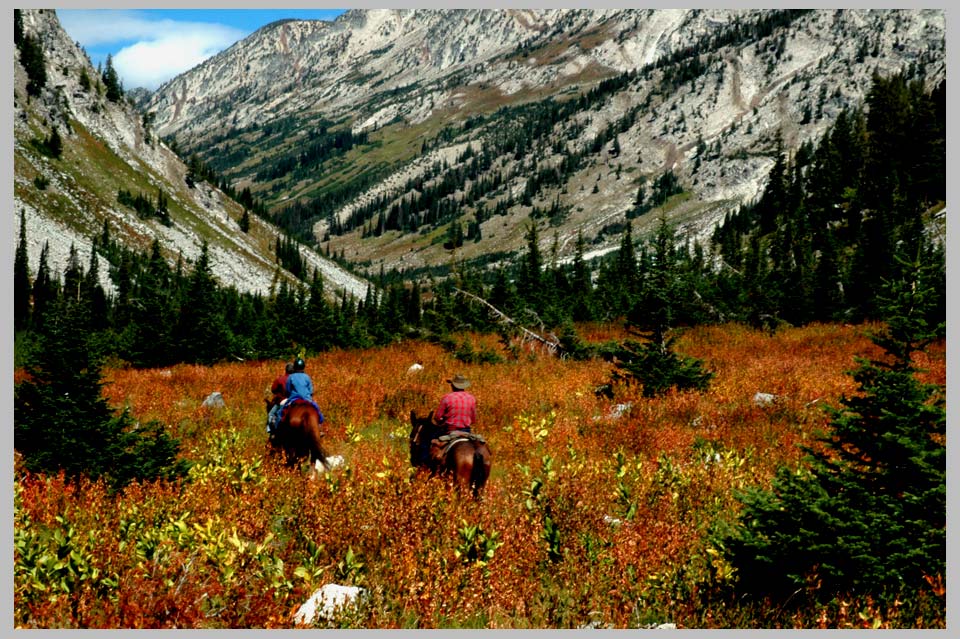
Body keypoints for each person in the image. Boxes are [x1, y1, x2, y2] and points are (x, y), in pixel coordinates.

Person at [267, 362, 294, 435]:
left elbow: (273, 390)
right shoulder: (295, 379)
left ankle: (271, 432)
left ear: (286, 370)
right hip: (295, 400)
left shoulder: (280, 379)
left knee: (271, 414)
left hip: (283, 401)